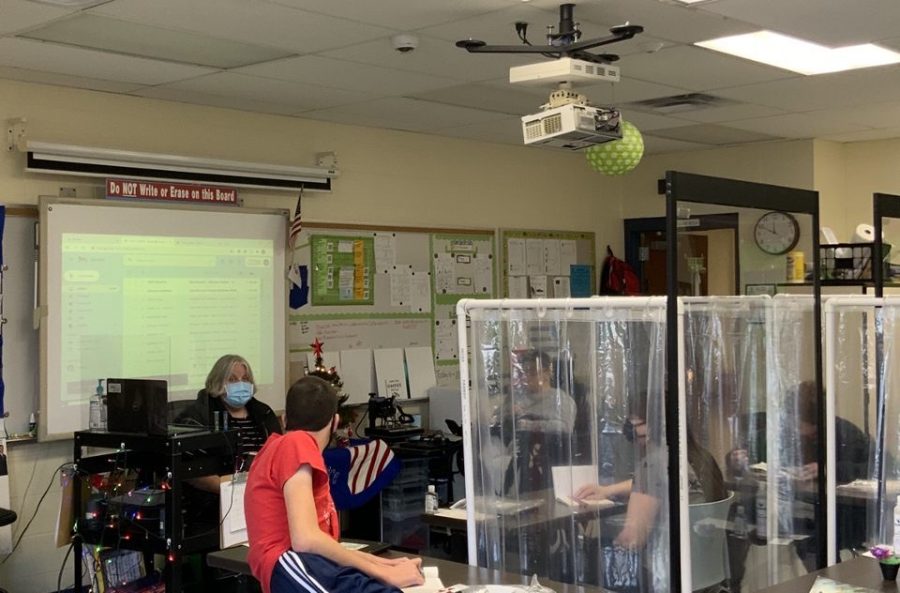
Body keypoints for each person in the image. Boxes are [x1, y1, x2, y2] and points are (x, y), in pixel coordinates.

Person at [245, 376, 424, 593]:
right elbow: (306, 539)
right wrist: (386, 574)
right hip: (294, 562)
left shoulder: (280, 447)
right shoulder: (297, 443)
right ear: (335, 422)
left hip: (307, 563)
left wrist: (385, 565)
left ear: (284, 420)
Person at [176, 354, 282, 492]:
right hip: (216, 498)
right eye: (232, 380)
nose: (240, 384)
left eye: (245, 379)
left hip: (264, 493)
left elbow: (280, 455)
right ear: (218, 382)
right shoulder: (199, 416)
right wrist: (232, 491)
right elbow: (191, 469)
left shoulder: (264, 413)